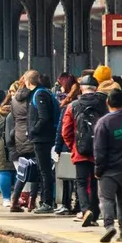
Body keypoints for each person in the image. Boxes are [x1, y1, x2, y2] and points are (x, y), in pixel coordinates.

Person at [62, 74, 107, 227]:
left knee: (81, 182)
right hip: (99, 150)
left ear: (81, 88)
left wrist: (73, 145)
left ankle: (85, 210)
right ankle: (94, 215)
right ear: (96, 89)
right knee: (95, 182)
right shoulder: (103, 104)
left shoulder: (73, 105)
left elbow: (66, 131)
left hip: (80, 150)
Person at [94, 88, 122, 243]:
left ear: (107, 102)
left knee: (106, 198)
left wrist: (98, 169)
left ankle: (109, 226)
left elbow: (99, 150)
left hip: (109, 169)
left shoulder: (103, 123)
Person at [26, 70, 58, 214]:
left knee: (44, 171)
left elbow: (43, 117)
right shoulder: (45, 92)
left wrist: (33, 130)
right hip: (47, 136)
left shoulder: (39, 94)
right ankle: (47, 200)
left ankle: (47, 201)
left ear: (28, 81)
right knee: (45, 170)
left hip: (42, 138)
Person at [54, 74, 80, 215]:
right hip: (82, 145)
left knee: (65, 177)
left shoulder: (67, 106)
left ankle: (65, 204)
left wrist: (58, 147)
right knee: (80, 177)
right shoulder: (82, 104)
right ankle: (80, 204)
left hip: (68, 145)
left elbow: (62, 129)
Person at [9, 78, 35, 211]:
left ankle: (14, 201)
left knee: (23, 170)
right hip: (31, 135)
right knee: (37, 168)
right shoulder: (33, 98)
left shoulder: (14, 101)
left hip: (19, 136)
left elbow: (14, 119)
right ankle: (33, 202)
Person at [0, 92, 17, 208]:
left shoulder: (0, 114)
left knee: (4, 171)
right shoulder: (21, 112)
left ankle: (6, 198)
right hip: (18, 144)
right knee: (19, 172)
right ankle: (18, 197)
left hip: (2, 144)